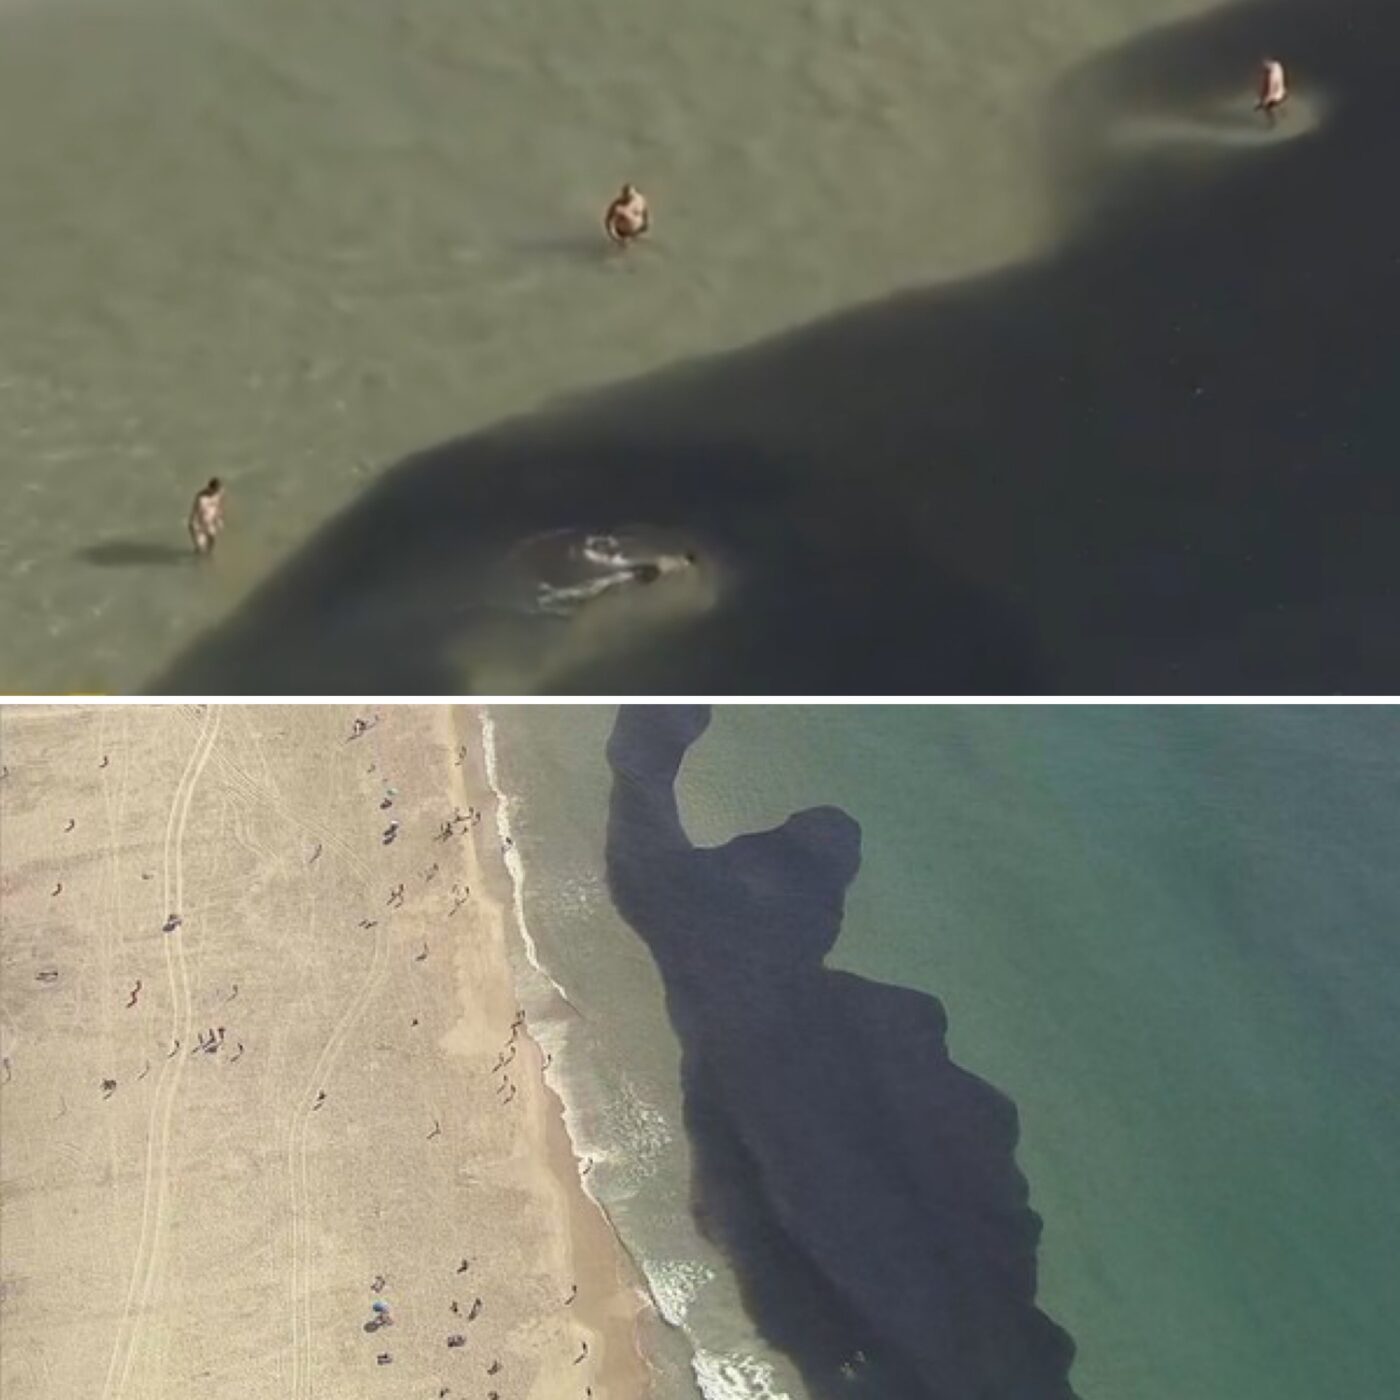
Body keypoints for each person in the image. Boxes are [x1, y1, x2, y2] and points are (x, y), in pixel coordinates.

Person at [188, 478, 226, 556]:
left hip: (210, 523)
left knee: (212, 539)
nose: (216, 492)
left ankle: (208, 557)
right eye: (214, 490)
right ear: (210, 488)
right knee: (201, 547)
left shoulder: (218, 494)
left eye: (217, 490)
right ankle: (198, 559)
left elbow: (219, 507)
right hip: (199, 524)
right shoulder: (201, 498)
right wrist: (194, 525)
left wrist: (219, 520)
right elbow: (195, 512)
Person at [1256, 57, 1289, 125]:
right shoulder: (1277, 66)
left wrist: (1262, 103)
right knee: (1273, 103)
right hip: (1283, 93)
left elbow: (1270, 92)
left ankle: (1272, 122)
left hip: (1276, 96)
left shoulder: (1270, 77)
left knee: (1267, 107)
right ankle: (1283, 113)